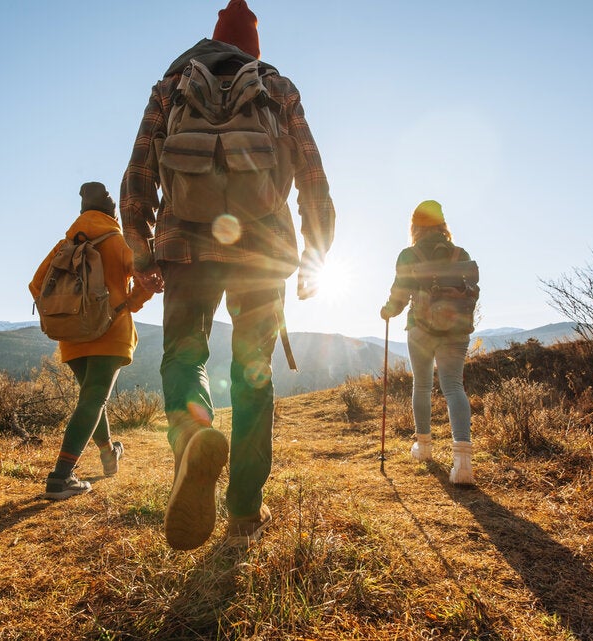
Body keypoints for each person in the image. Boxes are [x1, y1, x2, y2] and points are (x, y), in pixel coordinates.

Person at [120, 0, 336, 549]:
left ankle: (194, 435)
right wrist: (316, 254)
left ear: (210, 40)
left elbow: (137, 181)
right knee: (252, 373)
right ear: (252, 49)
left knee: (185, 356)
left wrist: (144, 259)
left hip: (185, 247)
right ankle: (244, 511)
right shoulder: (277, 87)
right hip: (262, 252)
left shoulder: (171, 87)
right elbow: (313, 175)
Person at [29, 182, 153, 500]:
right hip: (110, 332)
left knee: (92, 398)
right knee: (94, 399)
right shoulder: (117, 241)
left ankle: (109, 453)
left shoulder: (64, 245)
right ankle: (62, 476)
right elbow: (143, 278)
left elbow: (36, 285)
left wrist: (67, 313)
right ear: (112, 212)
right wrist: (130, 302)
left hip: (71, 338)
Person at [380, 200, 477, 485]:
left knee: (422, 385)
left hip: (421, 329)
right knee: (454, 387)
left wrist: (388, 310)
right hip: (457, 329)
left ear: (415, 226)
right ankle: (463, 463)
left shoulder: (410, 255)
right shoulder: (461, 253)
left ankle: (423, 448)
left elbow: (400, 295)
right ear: (442, 224)